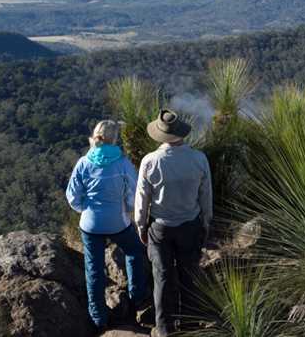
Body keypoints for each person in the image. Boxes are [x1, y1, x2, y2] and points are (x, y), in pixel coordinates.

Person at [134, 109, 213, 337]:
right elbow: (206, 195)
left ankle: (164, 328)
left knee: (162, 277)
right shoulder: (199, 159)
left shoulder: (150, 161)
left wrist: (141, 226)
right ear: (181, 133)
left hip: (160, 228)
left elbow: (142, 199)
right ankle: (190, 325)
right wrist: (206, 222)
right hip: (190, 225)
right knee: (190, 275)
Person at [66, 120, 150, 331]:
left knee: (93, 269)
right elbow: (135, 192)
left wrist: (84, 208)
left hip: (90, 225)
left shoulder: (84, 162)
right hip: (117, 222)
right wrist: (126, 208)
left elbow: (72, 196)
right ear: (115, 139)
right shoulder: (122, 163)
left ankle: (99, 318)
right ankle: (137, 298)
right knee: (134, 251)